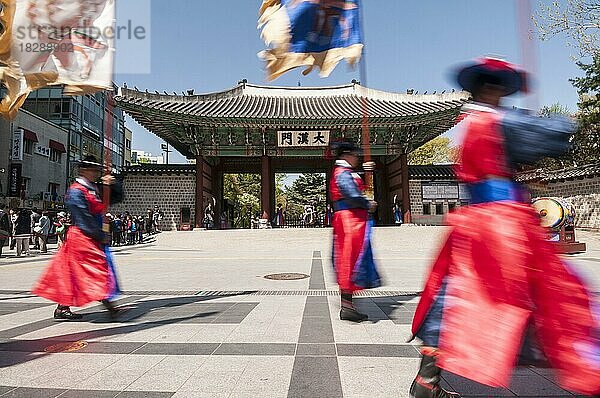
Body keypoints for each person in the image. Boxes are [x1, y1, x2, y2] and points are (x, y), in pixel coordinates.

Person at [409, 58, 600, 398]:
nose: (500, 95)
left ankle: (428, 379)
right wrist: (561, 120)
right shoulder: (501, 122)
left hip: (472, 221)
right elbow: (558, 136)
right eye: (497, 88)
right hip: (503, 226)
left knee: (453, 294)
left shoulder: (469, 124)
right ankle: (573, 357)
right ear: (491, 89)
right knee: (552, 289)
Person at [33, 156, 125, 320]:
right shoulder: (76, 191)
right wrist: (99, 234)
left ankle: (63, 307)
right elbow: (83, 218)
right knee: (96, 270)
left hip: (91, 235)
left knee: (74, 274)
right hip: (83, 236)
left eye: (97, 170)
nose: (96, 173)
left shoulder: (95, 188)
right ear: (83, 171)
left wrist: (112, 183)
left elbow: (116, 198)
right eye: (93, 170)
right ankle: (110, 307)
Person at [329, 140, 381, 322]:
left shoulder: (346, 172)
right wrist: (367, 203)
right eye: (354, 155)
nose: (356, 158)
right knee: (350, 261)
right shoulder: (342, 173)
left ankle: (348, 305)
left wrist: (368, 173)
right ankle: (347, 306)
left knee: (349, 261)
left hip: (350, 221)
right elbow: (351, 194)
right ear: (346, 155)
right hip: (349, 222)